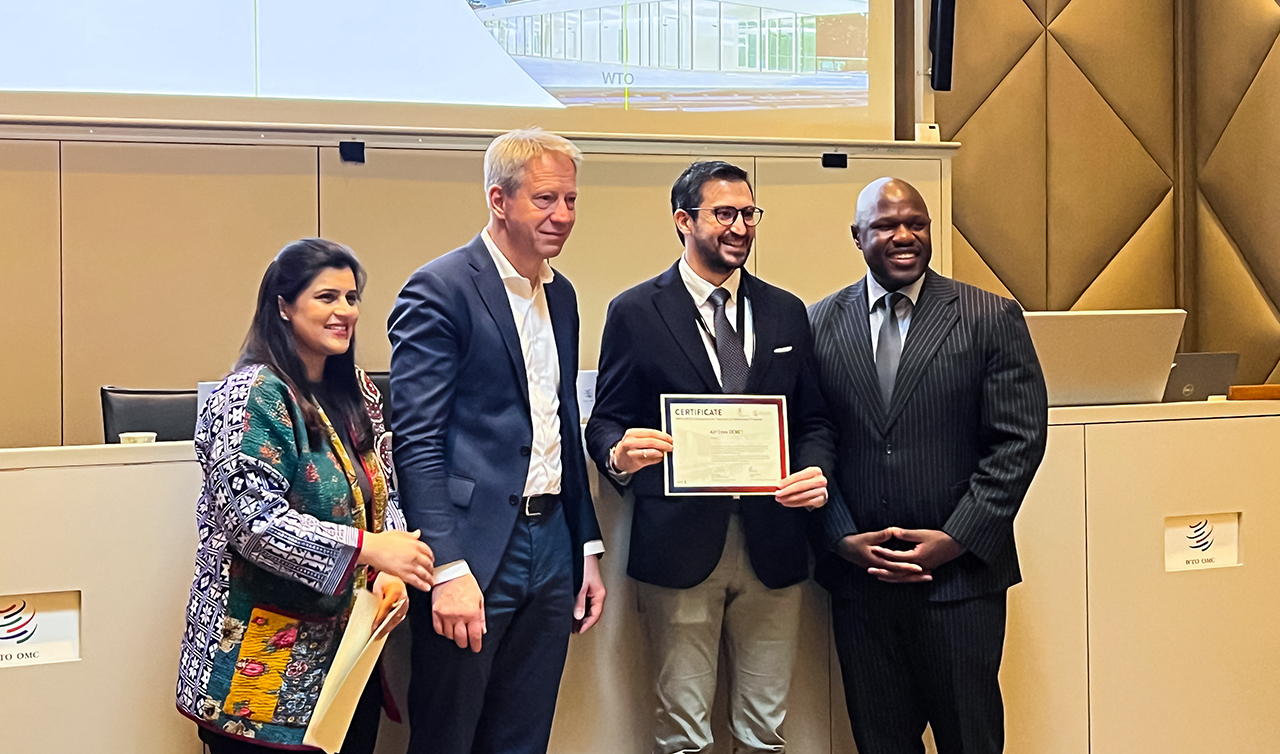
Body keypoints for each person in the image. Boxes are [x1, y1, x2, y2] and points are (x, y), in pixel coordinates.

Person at [584, 160, 834, 754]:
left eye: (749, 213)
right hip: (678, 546)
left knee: (765, 732)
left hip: (774, 544)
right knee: (684, 734)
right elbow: (606, 421)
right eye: (725, 213)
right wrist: (618, 454)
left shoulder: (786, 311)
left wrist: (816, 470)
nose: (741, 227)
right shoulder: (635, 311)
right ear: (683, 220)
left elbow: (815, 420)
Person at [807, 178, 1048, 754]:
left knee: (971, 739)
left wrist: (956, 538)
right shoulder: (816, 324)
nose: (904, 236)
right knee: (881, 742)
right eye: (887, 225)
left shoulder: (990, 316)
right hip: (862, 584)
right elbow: (812, 439)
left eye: (916, 223)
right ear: (857, 236)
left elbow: (1018, 440)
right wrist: (840, 538)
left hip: (960, 583)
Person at [388, 128, 607, 754]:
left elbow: (562, 422)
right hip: (473, 548)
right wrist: (447, 566)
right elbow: (417, 442)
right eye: (545, 199)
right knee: (449, 735)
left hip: (553, 543)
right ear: (498, 200)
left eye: (570, 200)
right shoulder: (439, 289)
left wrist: (585, 545)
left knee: (524, 736)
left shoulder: (562, 295)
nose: (562, 215)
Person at [176, 238, 436, 753]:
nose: (345, 311)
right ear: (283, 305)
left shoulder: (356, 389)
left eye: (351, 297)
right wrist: (369, 549)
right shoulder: (250, 394)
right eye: (326, 297)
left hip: (346, 657)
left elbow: (382, 489)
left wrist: (388, 567)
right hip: (256, 660)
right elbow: (253, 524)